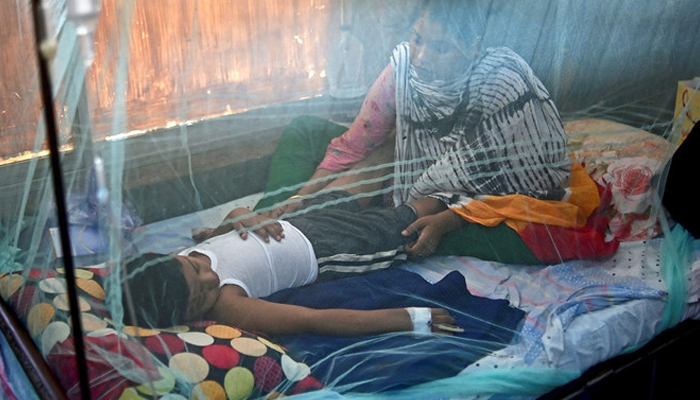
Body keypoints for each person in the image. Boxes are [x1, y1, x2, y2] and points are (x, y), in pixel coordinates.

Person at [252, 0, 573, 264]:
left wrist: (448, 220)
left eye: (440, 47)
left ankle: (309, 240)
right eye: (417, 39)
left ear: (473, 50)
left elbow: (527, 183)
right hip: (406, 177)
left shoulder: (502, 87)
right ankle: (268, 223)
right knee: (306, 130)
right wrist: (298, 198)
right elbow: (354, 144)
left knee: (516, 236)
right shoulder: (403, 70)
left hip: (461, 199)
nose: (421, 57)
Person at [121, 191, 462, 336]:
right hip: (330, 251)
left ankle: (447, 188)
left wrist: (239, 216)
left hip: (301, 219)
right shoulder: (228, 305)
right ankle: (462, 209)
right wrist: (405, 319)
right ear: (188, 317)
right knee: (404, 223)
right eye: (201, 296)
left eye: (196, 269)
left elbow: (227, 231)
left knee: (373, 199)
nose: (210, 277)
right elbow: (310, 320)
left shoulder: (172, 264)